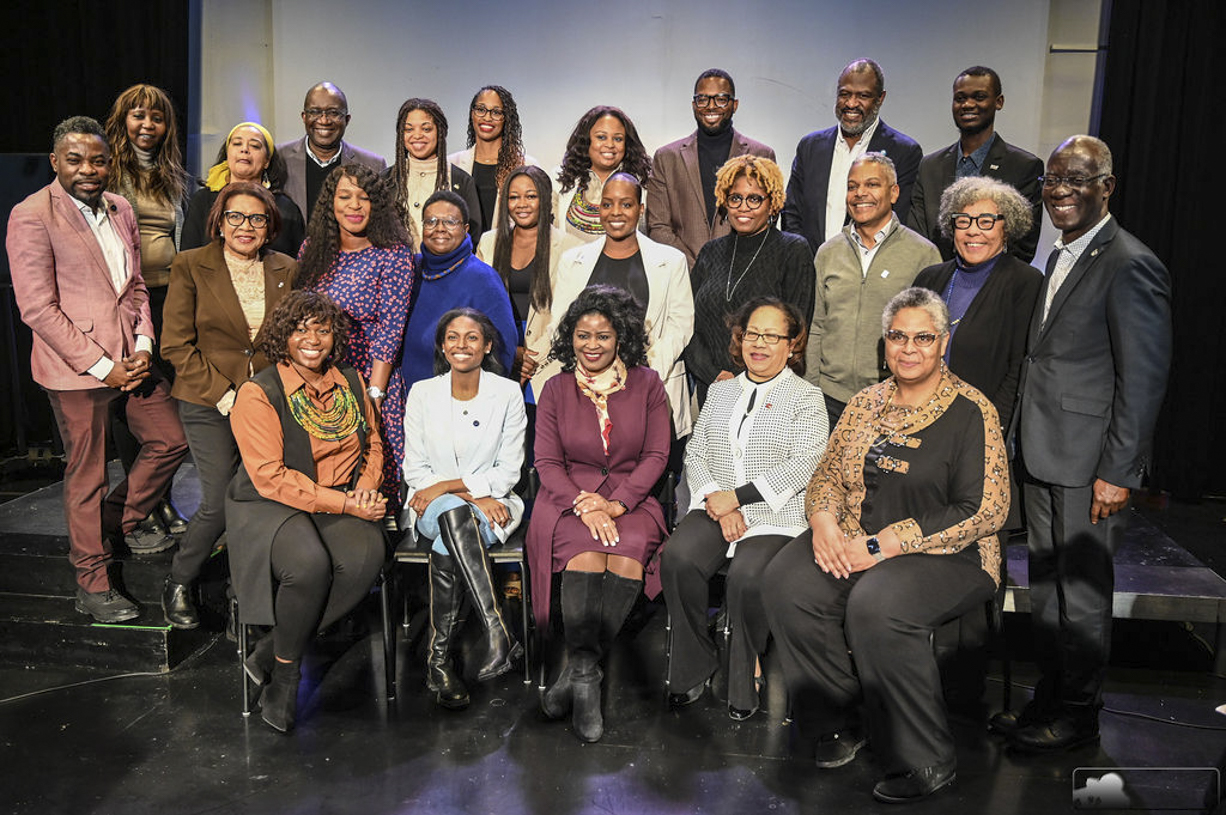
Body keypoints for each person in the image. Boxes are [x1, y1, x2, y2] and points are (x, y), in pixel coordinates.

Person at [765, 287, 1009, 804]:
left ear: (943, 343)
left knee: (878, 605)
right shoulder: (864, 402)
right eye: (898, 337)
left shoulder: (972, 411)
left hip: (950, 555)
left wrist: (889, 543)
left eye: (923, 338)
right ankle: (843, 717)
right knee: (787, 583)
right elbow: (827, 476)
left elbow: (987, 508)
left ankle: (925, 757)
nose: (909, 348)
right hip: (853, 540)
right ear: (885, 343)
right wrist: (825, 520)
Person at [1004, 135, 1172, 752]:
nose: (1059, 191)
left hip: (1089, 465)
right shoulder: (1061, 254)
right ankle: (1050, 699)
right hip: (1046, 450)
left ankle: (1080, 716)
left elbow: (1144, 379)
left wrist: (1118, 470)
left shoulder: (1130, 262)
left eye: (1076, 179)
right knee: (1047, 589)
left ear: (1107, 186)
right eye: (1052, 180)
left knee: (1082, 595)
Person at [7, 116, 188, 622]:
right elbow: (38, 309)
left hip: (133, 358)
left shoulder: (121, 207)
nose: (88, 169)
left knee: (170, 440)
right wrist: (102, 366)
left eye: (98, 160)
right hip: (77, 372)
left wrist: (145, 345)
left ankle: (112, 523)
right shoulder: (31, 215)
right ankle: (92, 579)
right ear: (54, 163)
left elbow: (132, 286)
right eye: (75, 160)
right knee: (86, 474)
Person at [226, 290, 387, 734]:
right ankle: (287, 674)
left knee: (366, 556)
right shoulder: (259, 392)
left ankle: (269, 651)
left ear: (334, 336)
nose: (312, 338)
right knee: (309, 565)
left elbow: (372, 443)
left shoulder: (351, 382)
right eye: (300, 329)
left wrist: (366, 491)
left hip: (335, 497)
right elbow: (270, 476)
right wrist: (346, 503)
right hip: (268, 503)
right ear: (284, 336)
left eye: (322, 328)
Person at [663, 297, 827, 720]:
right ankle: (694, 662)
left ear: (793, 345)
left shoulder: (807, 398)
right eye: (753, 333)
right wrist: (719, 499)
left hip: (778, 512)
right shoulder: (719, 391)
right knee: (679, 559)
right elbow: (696, 452)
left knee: (746, 577)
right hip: (716, 503)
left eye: (773, 336)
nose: (760, 344)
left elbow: (805, 464)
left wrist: (739, 498)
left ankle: (742, 676)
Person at [528, 285, 672, 743]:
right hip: (568, 500)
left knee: (627, 555)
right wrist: (583, 503)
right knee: (586, 556)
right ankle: (588, 682)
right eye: (583, 335)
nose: (592, 345)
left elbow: (656, 454)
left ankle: (578, 672)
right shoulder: (555, 388)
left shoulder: (648, 384)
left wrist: (616, 503)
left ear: (620, 339)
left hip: (630, 499)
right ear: (570, 337)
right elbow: (547, 462)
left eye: (603, 336)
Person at [159, 182, 297, 629]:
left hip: (268, 404)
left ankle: (248, 592)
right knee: (219, 499)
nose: (245, 226)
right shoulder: (191, 265)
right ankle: (180, 579)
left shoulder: (287, 269)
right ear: (219, 221)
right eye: (235, 217)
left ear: (269, 227)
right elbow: (175, 346)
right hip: (208, 399)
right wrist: (226, 395)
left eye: (257, 219)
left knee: (261, 497)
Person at [402, 308, 527, 710]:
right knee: (452, 513)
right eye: (452, 337)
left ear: (487, 346)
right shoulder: (422, 393)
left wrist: (452, 487)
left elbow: (509, 470)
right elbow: (416, 471)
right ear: (442, 345)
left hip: (495, 505)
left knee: (448, 537)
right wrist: (465, 492)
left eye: (472, 337)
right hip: (432, 502)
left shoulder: (507, 394)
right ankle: (498, 629)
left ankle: (438, 663)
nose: (461, 345)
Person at [103, 83, 194, 535]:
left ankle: (164, 497)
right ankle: (143, 500)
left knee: (169, 404)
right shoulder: (105, 175)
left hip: (170, 298)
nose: (147, 125)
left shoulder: (175, 175)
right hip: (125, 301)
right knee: (133, 399)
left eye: (156, 118)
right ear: (123, 121)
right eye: (138, 116)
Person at [297, 164, 414, 510]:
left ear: (377, 204)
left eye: (364, 198)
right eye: (344, 196)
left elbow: (391, 329)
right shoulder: (312, 250)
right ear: (330, 203)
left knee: (376, 466)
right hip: (322, 379)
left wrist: (374, 395)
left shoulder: (393, 255)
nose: (354, 205)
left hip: (371, 377)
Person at [548, 173, 694, 439]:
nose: (615, 212)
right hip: (588, 392)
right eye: (607, 204)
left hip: (652, 385)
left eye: (626, 204)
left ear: (640, 210)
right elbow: (561, 323)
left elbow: (680, 325)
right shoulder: (573, 260)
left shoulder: (671, 261)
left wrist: (640, 376)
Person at [805, 154, 941, 428]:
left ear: (894, 192)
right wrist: (812, 388)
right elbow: (816, 326)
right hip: (828, 400)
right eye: (853, 186)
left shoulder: (923, 254)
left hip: (892, 399)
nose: (860, 194)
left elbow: (933, 337)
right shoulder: (828, 253)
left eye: (872, 184)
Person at [913, 176, 1041, 430]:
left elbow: (1017, 369)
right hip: (919, 415)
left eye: (986, 222)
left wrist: (992, 427)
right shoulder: (929, 277)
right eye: (963, 221)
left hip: (977, 424)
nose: (973, 231)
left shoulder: (1025, 282)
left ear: (1006, 228)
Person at [686, 155, 814, 407]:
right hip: (711, 387)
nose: (743, 207)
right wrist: (715, 376)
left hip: (767, 393)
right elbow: (688, 326)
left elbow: (795, 333)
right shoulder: (710, 252)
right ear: (725, 201)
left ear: (772, 203)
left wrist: (743, 380)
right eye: (735, 198)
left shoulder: (792, 250)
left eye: (754, 199)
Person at [782, 59, 923, 253]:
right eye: (844, 94)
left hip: (868, 272)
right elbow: (792, 213)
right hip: (810, 269)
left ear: (880, 98)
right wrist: (802, 260)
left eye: (863, 96)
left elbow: (900, 221)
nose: (851, 103)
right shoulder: (810, 147)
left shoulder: (904, 152)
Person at [907, 66, 1043, 263]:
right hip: (935, 283)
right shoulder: (929, 166)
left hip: (996, 286)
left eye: (979, 97)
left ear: (999, 102)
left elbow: (1023, 246)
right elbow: (917, 237)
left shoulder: (1024, 167)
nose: (968, 104)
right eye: (960, 98)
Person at [646, 68, 776, 268]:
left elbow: (767, 220)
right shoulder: (666, 158)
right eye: (703, 99)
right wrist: (696, 269)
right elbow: (658, 226)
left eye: (721, 99)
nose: (711, 106)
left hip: (743, 274)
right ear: (693, 105)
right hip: (683, 277)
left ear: (735, 105)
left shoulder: (762, 155)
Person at [475, 165, 583, 396]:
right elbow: (478, 304)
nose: (521, 204)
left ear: (544, 199)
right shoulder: (488, 242)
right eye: (514, 197)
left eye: (531, 196)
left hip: (548, 355)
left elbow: (570, 313)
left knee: (540, 428)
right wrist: (509, 351)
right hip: (498, 348)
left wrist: (532, 355)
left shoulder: (570, 247)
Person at [399, 191, 517, 392]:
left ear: (466, 229)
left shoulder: (482, 278)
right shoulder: (409, 269)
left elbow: (502, 350)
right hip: (404, 399)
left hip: (458, 402)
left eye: (450, 222)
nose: (440, 229)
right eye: (431, 221)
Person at [181, 122, 306, 256]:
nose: (244, 149)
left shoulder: (285, 208)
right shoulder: (202, 200)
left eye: (254, 146)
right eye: (237, 144)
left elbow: (297, 262)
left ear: (267, 161)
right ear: (227, 153)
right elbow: (188, 256)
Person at [278, 81, 387, 223]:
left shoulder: (373, 165)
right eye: (315, 112)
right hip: (293, 246)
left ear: (347, 120)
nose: (324, 120)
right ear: (304, 117)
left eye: (333, 113)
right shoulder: (279, 157)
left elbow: (381, 221)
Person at [389, 98, 482, 248]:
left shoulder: (461, 181)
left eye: (426, 129)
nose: (417, 135)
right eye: (409, 129)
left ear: (440, 132)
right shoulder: (386, 180)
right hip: (396, 269)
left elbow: (474, 236)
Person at [554, 106, 652, 243]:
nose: (610, 144)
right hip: (571, 263)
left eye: (618, 139)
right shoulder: (559, 180)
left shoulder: (644, 184)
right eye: (601, 137)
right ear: (586, 140)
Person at [449, 85, 537, 233]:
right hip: (462, 253)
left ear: (506, 118)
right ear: (472, 113)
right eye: (481, 110)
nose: (487, 117)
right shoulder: (451, 164)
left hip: (507, 252)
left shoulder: (526, 166)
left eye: (496, 112)